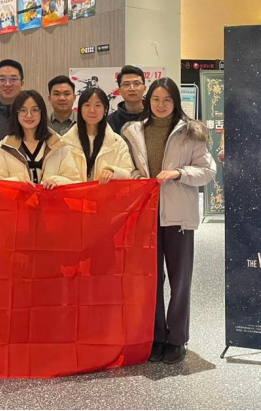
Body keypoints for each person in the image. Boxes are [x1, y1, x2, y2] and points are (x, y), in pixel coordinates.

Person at [122, 78, 216, 365]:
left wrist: (178, 173)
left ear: (176, 102)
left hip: (179, 217)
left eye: (167, 100)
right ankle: (156, 336)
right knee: (151, 280)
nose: (161, 105)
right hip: (146, 216)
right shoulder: (133, 131)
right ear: (148, 101)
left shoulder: (191, 131)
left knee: (180, 280)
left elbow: (207, 171)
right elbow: (128, 167)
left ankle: (177, 339)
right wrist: (138, 178)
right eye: (156, 99)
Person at [0, 90, 78, 186]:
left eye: (34, 110)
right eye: (23, 110)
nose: (29, 115)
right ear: (16, 113)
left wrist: (57, 182)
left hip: (52, 196)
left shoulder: (59, 145)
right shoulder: (4, 147)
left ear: (42, 113)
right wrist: (18, 182)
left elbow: (74, 181)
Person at [60, 87, 134, 183]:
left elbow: (129, 173)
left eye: (98, 105)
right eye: (87, 105)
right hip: (75, 193)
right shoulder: (65, 142)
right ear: (80, 109)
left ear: (105, 109)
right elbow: (57, 174)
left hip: (106, 192)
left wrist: (114, 171)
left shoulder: (117, 143)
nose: (92, 110)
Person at [108, 65, 147, 135]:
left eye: (136, 84)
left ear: (144, 88)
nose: (132, 88)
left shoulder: (154, 117)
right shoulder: (110, 122)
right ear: (119, 91)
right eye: (126, 84)